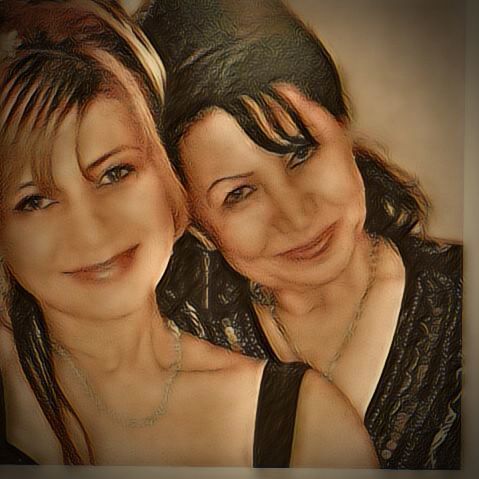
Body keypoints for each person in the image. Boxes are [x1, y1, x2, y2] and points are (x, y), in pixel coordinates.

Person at [0, 0, 378, 467]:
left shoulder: (305, 422)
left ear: (172, 185)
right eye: (35, 201)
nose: (91, 228)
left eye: (115, 172)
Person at [135, 0, 462, 469]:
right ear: (198, 225)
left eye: (302, 153)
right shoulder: (173, 342)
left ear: (344, 130)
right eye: (239, 193)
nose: (294, 214)